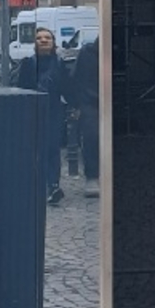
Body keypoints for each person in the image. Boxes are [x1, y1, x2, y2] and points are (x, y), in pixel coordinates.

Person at [16, 26, 69, 205]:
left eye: (47, 38)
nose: (44, 40)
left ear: (53, 42)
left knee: (52, 149)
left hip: (53, 113)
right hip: (32, 113)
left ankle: (53, 185)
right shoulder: (28, 64)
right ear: (35, 43)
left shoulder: (60, 64)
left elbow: (67, 89)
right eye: (39, 38)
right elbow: (19, 89)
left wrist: (74, 107)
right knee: (34, 151)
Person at [72, 35, 100, 197]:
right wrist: (77, 103)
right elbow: (77, 78)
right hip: (91, 101)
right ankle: (92, 176)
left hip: (99, 99)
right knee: (92, 136)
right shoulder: (87, 53)